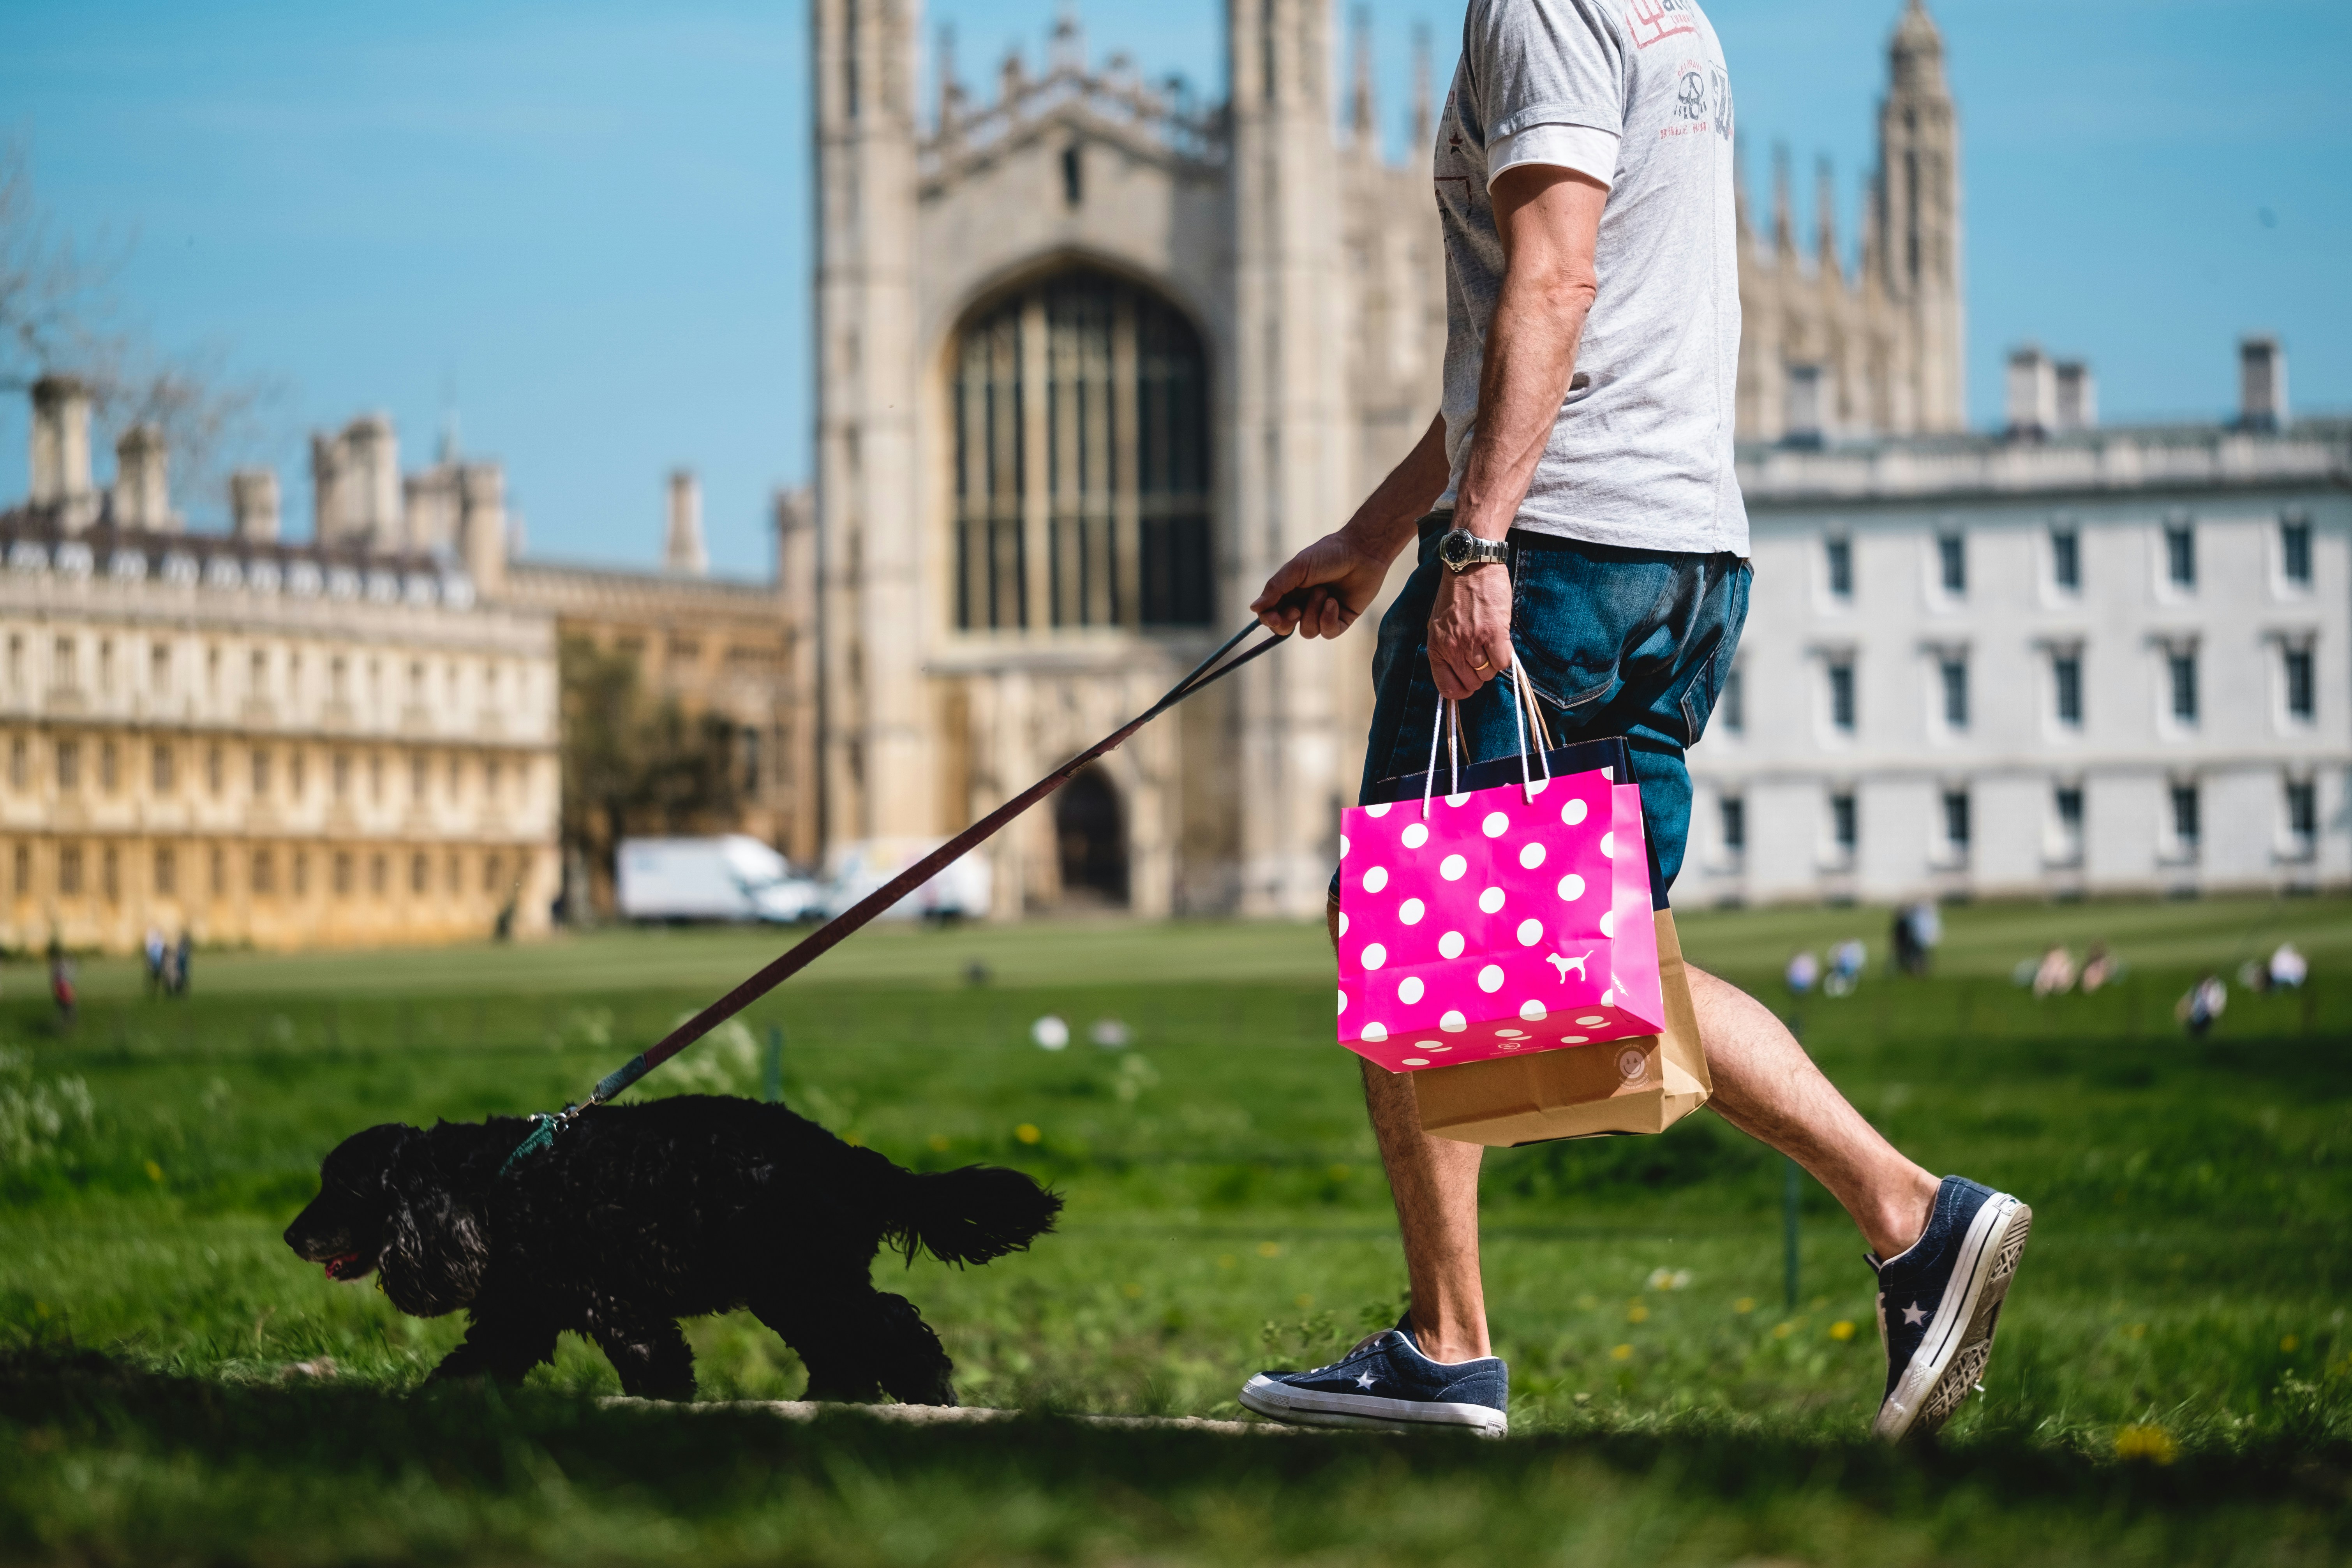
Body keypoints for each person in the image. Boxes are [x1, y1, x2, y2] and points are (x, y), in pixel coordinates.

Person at [1238, 0, 2029, 1445]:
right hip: (1677, 554)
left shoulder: (1534, 7)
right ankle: (1914, 1218)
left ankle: (1448, 1343)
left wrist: (1471, 550)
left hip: (1561, 550)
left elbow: (1553, 288)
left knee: (1402, 918)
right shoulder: (1667, 17)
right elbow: (1534, 336)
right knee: (1590, 956)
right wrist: (1374, 535)